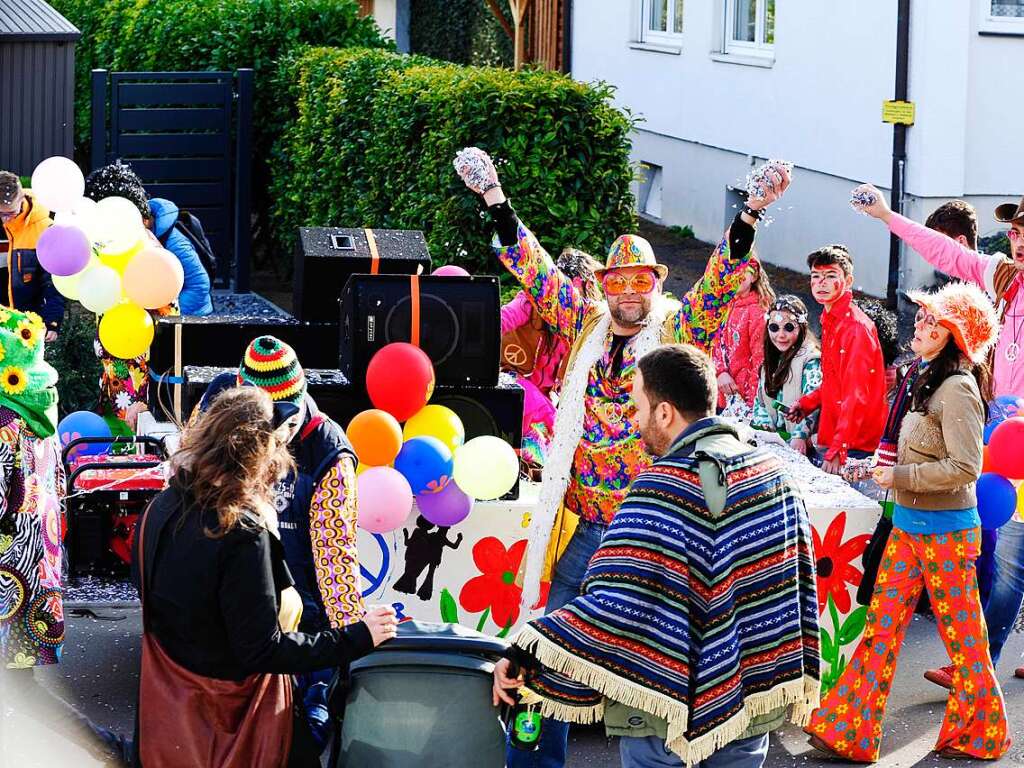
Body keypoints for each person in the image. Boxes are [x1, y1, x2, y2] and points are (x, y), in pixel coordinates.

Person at [455, 147, 791, 768]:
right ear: (605, 287)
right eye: (619, 283)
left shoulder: (678, 332)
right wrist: (496, 200)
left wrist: (750, 213)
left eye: (642, 282)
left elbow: (719, 282)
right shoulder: (585, 322)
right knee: (546, 653)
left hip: (656, 530)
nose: (631, 294)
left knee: (657, 662)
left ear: (658, 285)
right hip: (585, 525)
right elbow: (536, 272)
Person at [492, 344, 820, 768]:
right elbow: (791, 594)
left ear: (664, 412)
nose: (635, 420)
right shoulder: (775, 476)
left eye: (637, 407)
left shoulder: (659, 490)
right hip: (748, 701)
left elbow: (614, 605)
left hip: (665, 709)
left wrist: (526, 650)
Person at [132, 386, 397, 767]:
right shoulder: (240, 534)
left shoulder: (163, 506)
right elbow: (263, 650)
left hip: (167, 711)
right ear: (257, 458)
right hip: (238, 718)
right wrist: (357, 636)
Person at [805, 281, 1011, 763]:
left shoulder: (958, 388)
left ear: (954, 334)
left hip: (947, 535)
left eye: (930, 320)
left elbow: (965, 468)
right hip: (910, 527)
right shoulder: (926, 375)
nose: (918, 325)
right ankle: (849, 732)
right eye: (920, 317)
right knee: (880, 629)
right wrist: (887, 473)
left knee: (965, 641)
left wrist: (898, 474)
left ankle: (983, 734)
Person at [852, 186, 1024, 684]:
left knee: (1010, 557)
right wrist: (887, 215)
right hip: (996, 436)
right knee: (997, 550)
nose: (1018, 242)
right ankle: (978, 665)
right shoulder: (1004, 277)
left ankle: (978, 672)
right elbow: (947, 251)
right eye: (1015, 232)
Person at [233, 335, 364, 752]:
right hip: (242, 615)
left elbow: (336, 559)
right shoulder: (226, 417)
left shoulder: (329, 454)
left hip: (304, 630)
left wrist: (350, 641)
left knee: (303, 734)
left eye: (280, 426)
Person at [789, 245, 887, 476]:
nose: (821, 283)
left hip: (855, 446)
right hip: (838, 438)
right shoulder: (830, 319)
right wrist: (807, 403)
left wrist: (838, 449)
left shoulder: (855, 328)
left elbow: (856, 393)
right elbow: (836, 382)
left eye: (831, 276)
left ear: (848, 280)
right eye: (816, 276)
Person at [501, 248, 602, 469]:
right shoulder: (529, 304)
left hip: (541, 400)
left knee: (561, 427)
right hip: (508, 380)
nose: (567, 304)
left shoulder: (583, 321)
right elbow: (499, 321)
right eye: (563, 294)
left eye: (575, 296)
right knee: (549, 418)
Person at [83, 162, 213, 316]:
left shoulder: (173, 241)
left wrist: (164, 319)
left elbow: (199, 286)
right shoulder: (116, 240)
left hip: (189, 321)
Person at [750, 295, 821, 455]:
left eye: (789, 328)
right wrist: (764, 424)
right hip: (775, 441)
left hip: (802, 444)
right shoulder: (771, 359)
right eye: (774, 328)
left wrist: (800, 436)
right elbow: (760, 400)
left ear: (801, 327)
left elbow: (814, 401)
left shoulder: (810, 360)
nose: (780, 335)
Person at [0, 171, 64, 341]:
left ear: (22, 199)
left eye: (10, 213)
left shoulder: (44, 229)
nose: (5, 220)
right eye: (0, 213)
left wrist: (52, 321)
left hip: (27, 324)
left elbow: (52, 281)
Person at [713, 257, 775, 410]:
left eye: (742, 272)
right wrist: (719, 372)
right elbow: (712, 342)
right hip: (719, 394)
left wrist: (752, 405)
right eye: (731, 271)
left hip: (743, 401)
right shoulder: (721, 305)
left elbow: (760, 363)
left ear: (754, 277)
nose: (735, 276)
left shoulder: (758, 312)